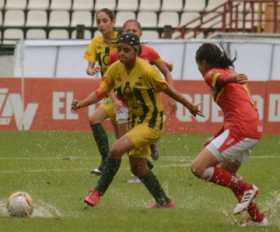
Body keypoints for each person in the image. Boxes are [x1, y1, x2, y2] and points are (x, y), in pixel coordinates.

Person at [72, 33, 202, 208]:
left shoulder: (147, 71)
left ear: (136, 51)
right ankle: (164, 201)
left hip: (152, 122)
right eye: (120, 49)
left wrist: (189, 105)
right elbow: (100, 92)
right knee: (138, 168)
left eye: (126, 50)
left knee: (116, 149)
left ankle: (96, 192)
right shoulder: (115, 69)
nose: (122, 53)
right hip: (135, 121)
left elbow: (168, 90)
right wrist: (81, 104)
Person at [191, 43, 267, 226]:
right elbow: (235, 112)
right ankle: (257, 219)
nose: (199, 69)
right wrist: (217, 136)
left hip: (241, 130)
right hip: (252, 129)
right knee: (227, 174)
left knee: (198, 168)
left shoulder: (213, 74)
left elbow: (218, 77)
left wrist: (231, 77)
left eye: (198, 64)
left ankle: (248, 188)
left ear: (203, 62)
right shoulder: (233, 82)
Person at [109, 19, 176, 162]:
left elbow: (166, 71)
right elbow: (107, 81)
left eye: (134, 31)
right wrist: (114, 100)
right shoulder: (115, 54)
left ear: (140, 33)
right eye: (128, 31)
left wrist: (172, 96)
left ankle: (144, 161)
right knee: (123, 139)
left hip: (147, 105)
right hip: (124, 101)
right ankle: (138, 166)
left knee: (139, 136)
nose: (131, 33)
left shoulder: (149, 52)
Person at [84, 8, 119, 175]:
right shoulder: (96, 42)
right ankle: (106, 160)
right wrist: (90, 70)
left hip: (124, 93)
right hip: (109, 92)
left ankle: (145, 159)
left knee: (123, 136)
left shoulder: (121, 41)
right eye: (98, 21)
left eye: (105, 20)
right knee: (94, 119)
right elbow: (90, 66)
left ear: (113, 22)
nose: (101, 24)